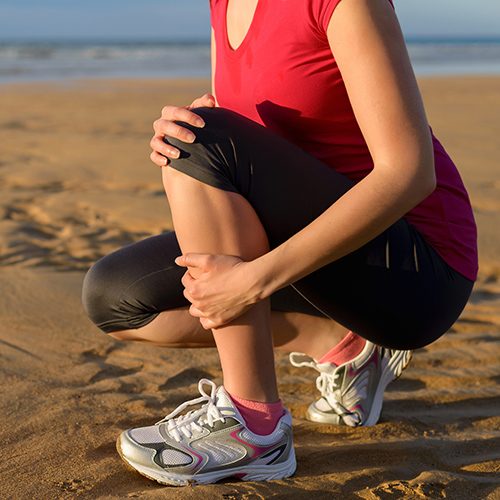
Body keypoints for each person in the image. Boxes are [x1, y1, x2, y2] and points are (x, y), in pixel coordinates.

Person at [82, 0, 477, 486]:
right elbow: (249, 143)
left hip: (417, 266)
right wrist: (192, 124)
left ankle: (255, 428)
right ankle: (343, 347)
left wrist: (253, 279)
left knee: (203, 142)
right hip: (319, 249)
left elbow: (411, 174)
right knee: (116, 297)